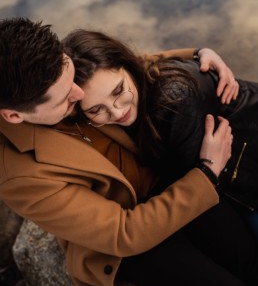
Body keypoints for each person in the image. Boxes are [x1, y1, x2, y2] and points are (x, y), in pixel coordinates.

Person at [0, 17, 251, 286]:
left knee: (247, 257)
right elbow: (123, 233)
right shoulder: (18, 176)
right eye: (65, 98)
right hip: (130, 240)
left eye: (71, 76)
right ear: (14, 116)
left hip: (166, 182)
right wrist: (207, 172)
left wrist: (196, 55)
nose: (79, 94)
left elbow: (114, 68)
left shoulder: (52, 78)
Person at [64, 29, 258, 238]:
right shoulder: (131, 93)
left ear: (126, 66)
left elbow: (202, 190)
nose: (117, 111)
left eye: (118, 91)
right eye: (95, 110)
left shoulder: (174, 102)